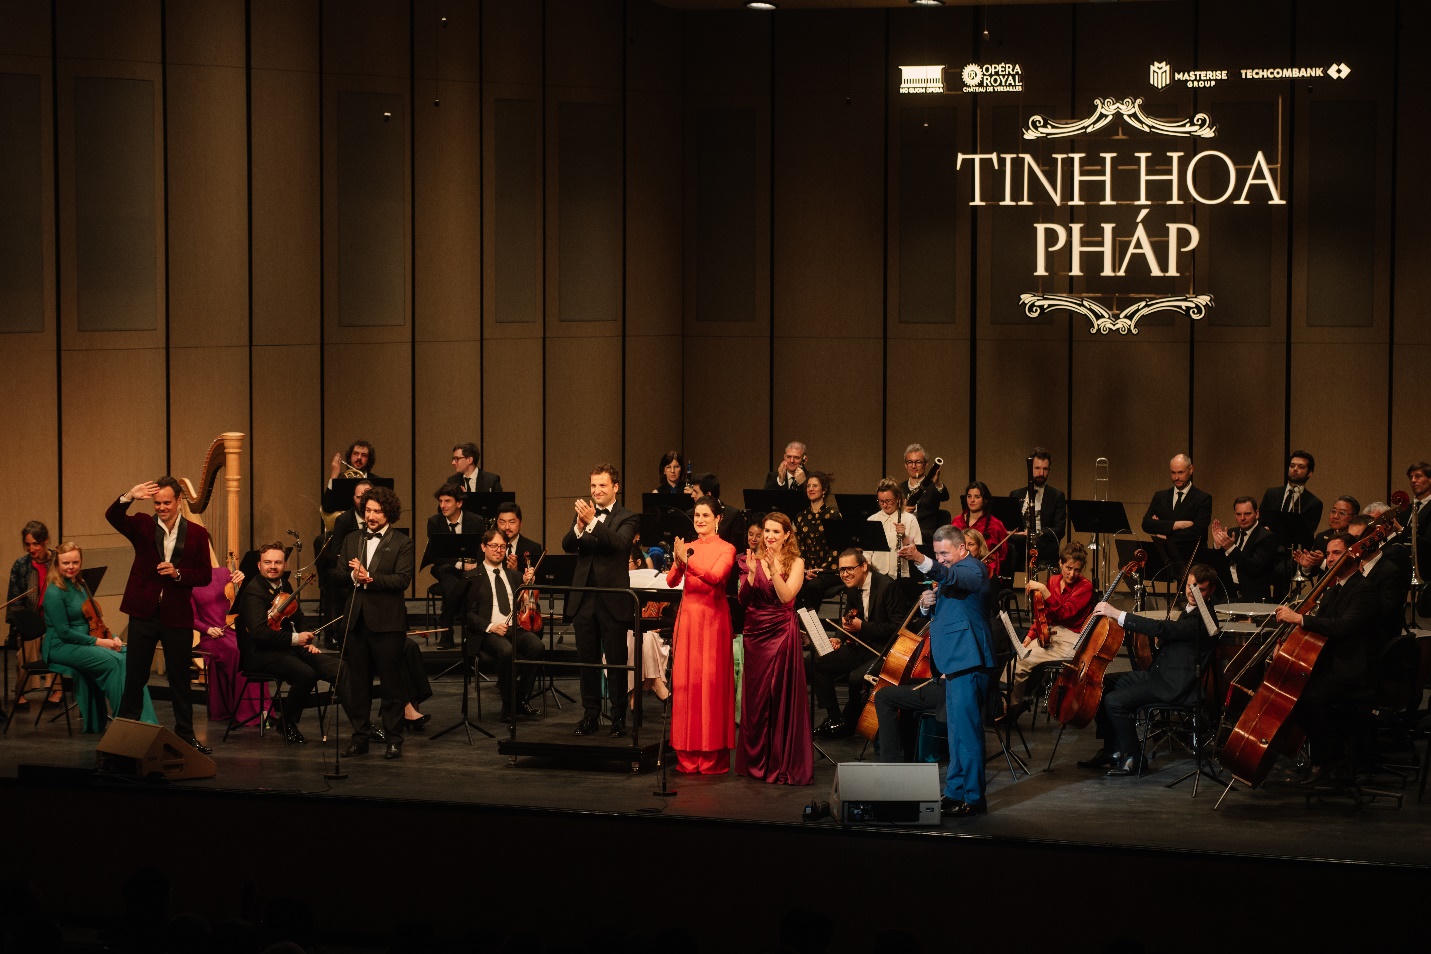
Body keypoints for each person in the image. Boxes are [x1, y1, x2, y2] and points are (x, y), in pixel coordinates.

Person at [1078, 563, 1217, 777]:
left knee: (1115, 701)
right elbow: (1177, 638)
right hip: (1160, 676)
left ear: (1211, 590)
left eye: (1200, 589)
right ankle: (1112, 751)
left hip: (1173, 686)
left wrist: (1117, 614)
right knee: (1102, 683)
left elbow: (1164, 628)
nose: (1192, 592)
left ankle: (1134, 758)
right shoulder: (1190, 611)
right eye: (1190, 586)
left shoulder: (1204, 619)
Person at [106, 478, 214, 753]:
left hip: (176, 615)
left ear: (179, 501)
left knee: (180, 679)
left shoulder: (198, 534)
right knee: (135, 677)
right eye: (157, 503)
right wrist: (130, 495)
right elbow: (113, 516)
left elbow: (204, 575)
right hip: (143, 612)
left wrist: (178, 574)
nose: (162, 507)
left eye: (167, 502)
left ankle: (186, 736)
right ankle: (125, 738)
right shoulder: (143, 525)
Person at [895, 526, 995, 817]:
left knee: (967, 733)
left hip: (969, 660)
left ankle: (973, 797)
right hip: (953, 663)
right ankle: (954, 792)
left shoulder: (973, 568)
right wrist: (927, 606)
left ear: (962, 548)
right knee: (955, 733)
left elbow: (951, 577)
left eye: (944, 553)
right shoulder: (951, 573)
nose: (940, 559)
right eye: (936, 554)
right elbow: (949, 607)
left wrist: (920, 558)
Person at [1271, 533, 1374, 782]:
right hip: (1328, 661)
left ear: (1353, 554)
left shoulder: (1363, 588)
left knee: (1307, 698)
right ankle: (1322, 759)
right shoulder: (1334, 587)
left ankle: (1328, 761)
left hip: (1349, 667)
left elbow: (1342, 626)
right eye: (1328, 554)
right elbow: (1319, 625)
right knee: (1294, 692)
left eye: (1336, 553)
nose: (1330, 559)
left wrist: (1299, 618)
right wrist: (1286, 645)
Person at [330, 485, 414, 759]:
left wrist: (370, 578)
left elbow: (402, 580)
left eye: (377, 511)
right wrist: (353, 577)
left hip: (388, 623)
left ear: (388, 513)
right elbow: (338, 575)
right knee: (358, 685)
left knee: (391, 685)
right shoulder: (352, 539)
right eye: (368, 510)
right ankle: (360, 738)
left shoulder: (402, 542)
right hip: (357, 622)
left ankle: (393, 739)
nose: (371, 516)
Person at [42, 543, 156, 732]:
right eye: (66, 563)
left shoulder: (80, 584)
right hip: (61, 646)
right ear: (57, 564)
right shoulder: (54, 592)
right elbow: (64, 633)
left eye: (75, 562)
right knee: (114, 662)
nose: (71, 567)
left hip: (86, 639)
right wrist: (100, 642)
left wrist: (113, 638)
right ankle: (124, 721)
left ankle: (145, 721)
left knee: (130, 659)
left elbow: (93, 620)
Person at [562, 464, 640, 737]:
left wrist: (593, 522)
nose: (596, 491)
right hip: (584, 598)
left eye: (602, 485)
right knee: (588, 662)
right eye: (593, 485)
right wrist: (579, 526)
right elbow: (567, 545)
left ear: (615, 487)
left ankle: (618, 717)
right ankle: (590, 715)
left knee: (616, 662)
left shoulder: (628, 517)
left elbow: (619, 545)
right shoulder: (583, 514)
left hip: (613, 599)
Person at [236, 543, 340, 743]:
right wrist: (295, 639)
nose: (273, 566)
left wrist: (306, 638)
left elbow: (298, 617)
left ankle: (361, 728)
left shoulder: (286, 585)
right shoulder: (253, 591)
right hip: (260, 654)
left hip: (286, 648)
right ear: (259, 565)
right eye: (268, 562)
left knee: (336, 667)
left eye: (277, 562)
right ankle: (287, 723)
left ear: (284, 565)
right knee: (306, 674)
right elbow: (259, 633)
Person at [736, 512, 812, 785]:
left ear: (787, 535)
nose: (769, 536)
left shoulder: (797, 562)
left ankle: (779, 761)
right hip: (754, 633)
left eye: (775, 532)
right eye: (766, 531)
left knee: (777, 695)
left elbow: (786, 596)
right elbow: (743, 600)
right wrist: (752, 573)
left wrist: (772, 570)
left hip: (780, 633)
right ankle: (756, 762)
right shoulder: (750, 559)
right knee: (756, 700)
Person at [666, 496, 737, 774]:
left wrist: (688, 561)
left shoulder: (727, 548)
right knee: (687, 685)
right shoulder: (688, 547)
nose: (700, 520)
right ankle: (686, 754)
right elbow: (671, 581)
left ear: (718, 519)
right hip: (688, 620)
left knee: (710, 685)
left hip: (713, 621)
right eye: (697, 515)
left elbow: (715, 578)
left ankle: (711, 755)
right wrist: (678, 560)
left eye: (706, 515)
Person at [808, 548, 904, 739]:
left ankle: (852, 723)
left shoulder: (887, 586)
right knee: (820, 662)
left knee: (856, 678)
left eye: (849, 569)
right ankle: (835, 719)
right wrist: (839, 637)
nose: (845, 574)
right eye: (842, 570)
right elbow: (848, 617)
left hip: (884, 650)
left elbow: (897, 628)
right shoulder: (852, 587)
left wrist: (863, 627)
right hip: (862, 645)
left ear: (864, 566)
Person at [1002, 540, 1094, 725]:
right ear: (1060, 563)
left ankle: (1009, 709)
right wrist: (1030, 635)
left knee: (1023, 660)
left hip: (1072, 639)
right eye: (1068, 568)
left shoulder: (1085, 586)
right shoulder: (1053, 581)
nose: (1072, 574)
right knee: (1015, 660)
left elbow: (1064, 613)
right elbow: (1043, 615)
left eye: (1077, 570)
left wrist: (1044, 591)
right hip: (1050, 632)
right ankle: (1006, 705)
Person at [465, 528, 543, 721]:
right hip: (487, 632)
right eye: (493, 546)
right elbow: (467, 614)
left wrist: (528, 586)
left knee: (537, 646)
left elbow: (528, 605)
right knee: (507, 651)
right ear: (483, 547)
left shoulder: (514, 576)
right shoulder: (472, 577)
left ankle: (520, 699)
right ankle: (508, 707)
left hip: (514, 628)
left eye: (502, 546)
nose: (498, 550)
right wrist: (491, 626)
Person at [190, 560, 259, 727]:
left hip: (234, 628)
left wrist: (243, 581)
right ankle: (248, 712)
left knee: (251, 646)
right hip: (212, 636)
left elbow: (242, 598)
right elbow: (190, 618)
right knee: (237, 650)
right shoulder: (187, 583)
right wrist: (207, 629)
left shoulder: (223, 572)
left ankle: (260, 707)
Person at [421, 483, 485, 649]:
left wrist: (475, 565)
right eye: (440, 501)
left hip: (472, 569)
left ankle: (447, 628)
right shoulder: (434, 522)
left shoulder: (476, 521)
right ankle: (466, 632)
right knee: (449, 577)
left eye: (447, 501)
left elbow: (482, 549)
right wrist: (459, 564)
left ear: (459, 503)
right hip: (445, 567)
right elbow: (436, 554)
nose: (442, 505)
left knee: (456, 586)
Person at [7, 521, 58, 708]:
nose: (31, 549)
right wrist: (23, 623)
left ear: (45, 541)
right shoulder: (21, 565)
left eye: (35, 544)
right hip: (32, 621)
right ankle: (21, 692)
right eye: (27, 544)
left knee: (58, 643)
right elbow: (15, 601)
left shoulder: (57, 561)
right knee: (27, 648)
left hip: (54, 620)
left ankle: (58, 690)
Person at [318, 478, 371, 635]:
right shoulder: (344, 520)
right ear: (353, 499)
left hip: (371, 569)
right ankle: (339, 633)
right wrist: (354, 571)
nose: (363, 501)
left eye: (367, 496)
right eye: (359, 497)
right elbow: (336, 553)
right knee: (335, 584)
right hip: (348, 569)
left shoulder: (379, 518)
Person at [1141, 453, 1212, 566]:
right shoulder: (1160, 496)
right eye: (1173, 473)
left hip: (1192, 561)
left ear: (1191, 470)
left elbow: (1197, 531)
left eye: (1180, 472)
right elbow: (1146, 524)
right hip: (1165, 559)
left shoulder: (1203, 498)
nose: (1176, 477)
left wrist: (1164, 533)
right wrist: (1175, 525)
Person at [1211, 496, 1281, 602]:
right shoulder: (1231, 533)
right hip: (1227, 592)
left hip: (1251, 596)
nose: (1242, 518)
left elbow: (1253, 567)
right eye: (1238, 514)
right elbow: (1218, 566)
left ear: (1257, 514)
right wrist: (1217, 545)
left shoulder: (1266, 536)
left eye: (1247, 514)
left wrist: (1231, 548)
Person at [1008, 447, 1067, 569]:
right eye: (1037, 468)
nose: (1041, 473)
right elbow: (1010, 526)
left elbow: (1060, 530)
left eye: (1045, 469)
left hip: (1044, 550)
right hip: (1018, 549)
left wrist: (1036, 534)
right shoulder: (1016, 494)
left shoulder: (1057, 496)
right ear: (1030, 469)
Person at [792, 471, 841, 610]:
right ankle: (797, 621)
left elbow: (836, 548)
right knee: (794, 584)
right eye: (808, 486)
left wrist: (820, 570)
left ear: (824, 490)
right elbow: (798, 547)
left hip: (829, 570)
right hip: (807, 569)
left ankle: (810, 621)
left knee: (813, 586)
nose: (811, 489)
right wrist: (805, 570)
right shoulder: (801, 517)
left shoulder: (833, 514)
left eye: (815, 486)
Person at [1259, 450, 1322, 550]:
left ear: (1309, 473)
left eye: (1301, 467)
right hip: (1267, 548)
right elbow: (1261, 520)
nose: (1295, 469)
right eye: (1292, 466)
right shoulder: (1271, 493)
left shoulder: (1314, 503)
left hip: (1293, 551)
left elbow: (1306, 535)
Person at [866, 479, 922, 581]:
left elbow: (917, 550)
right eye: (881, 501)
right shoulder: (872, 520)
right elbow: (867, 553)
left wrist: (904, 536)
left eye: (888, 501)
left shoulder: (910, 519)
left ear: (897, 499)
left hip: (902, 577)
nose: (884, 505)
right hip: (877, 576)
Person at [952, 481, 1008, 580]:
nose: (972, 500)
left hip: (984, 572)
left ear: (985, 500)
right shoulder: (956, 522)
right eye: (969, 496)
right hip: (958, 569)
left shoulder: (995, 525)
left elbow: (1003, 553)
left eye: (977, 497)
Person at [899, 443, 948, 543]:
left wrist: (937, 483)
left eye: (918, 462)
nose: (913, 466)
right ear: (905, 465)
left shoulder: (933, 485)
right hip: (904, 537)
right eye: (910, 462)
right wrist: (901, 512)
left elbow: (945, 496)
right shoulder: (899, 488)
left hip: (926, 539)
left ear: (926, 464)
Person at [322, 440, 380, 512]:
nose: (359, 457)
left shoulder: (377, 482)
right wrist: (334, 476)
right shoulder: (340, 478)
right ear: (350, 457)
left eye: (364, 455)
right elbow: (326, 508)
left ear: (369, 460)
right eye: (355, 453)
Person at [494, 502, 543, 570]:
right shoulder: (488, 547)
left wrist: (516, 572)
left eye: (511, 522)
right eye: (502, 522)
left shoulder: (533, 548)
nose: (507, 527)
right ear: (497, 523)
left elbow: (538, 576)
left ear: (520, 523)